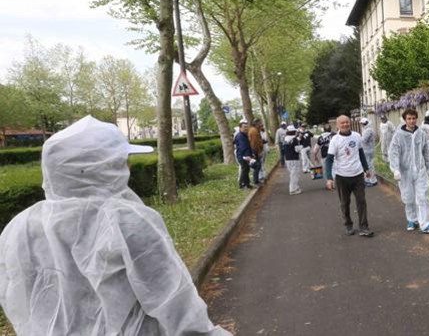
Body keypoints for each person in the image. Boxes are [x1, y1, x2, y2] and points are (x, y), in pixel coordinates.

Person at [0, 116, 230, 335]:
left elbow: (15, 296)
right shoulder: (126, 222)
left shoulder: (20, 227)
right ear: (104, 167)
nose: (127, 168)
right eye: (121, 162)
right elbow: (174, 302)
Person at [388, 108, 429, 234]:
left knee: (423, 197)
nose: (412, 121)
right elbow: (393, 152)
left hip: (420, 170)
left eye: (414, 118)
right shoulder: (398, 135)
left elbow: (426, 151)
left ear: (417, 119)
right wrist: (395, 169)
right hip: (405, 172)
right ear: (405, 120)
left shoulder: (421, 133)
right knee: (408, 197)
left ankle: (425, 223)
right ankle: (412, 219)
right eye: (409, 118)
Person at [325, 115, 375, 237]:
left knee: (361, 201)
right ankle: (348, 224)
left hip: (357, 175)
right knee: (344, 203)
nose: (345, 124)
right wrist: (329, 178)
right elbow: (329, 160)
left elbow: (361, 153)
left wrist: (366, 168)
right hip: (342, 176)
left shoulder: (357, 136)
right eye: (342, 123)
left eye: (347, 122)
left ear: (350, 123)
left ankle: (364, 227)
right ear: (337, 125)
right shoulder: (335, 140)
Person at [235, 119, 255, 189]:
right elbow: (243, 147)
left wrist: (251, 154)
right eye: (244, 127)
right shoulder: (240, 136)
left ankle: (247, 184)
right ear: (240, 128)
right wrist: (247, 156)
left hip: (246, 155)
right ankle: (242, 184)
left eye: (247, 127)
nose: (246, 128)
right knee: (244, 170)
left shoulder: (245, 135)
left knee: (247, 169)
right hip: (242, 156)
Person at [283, 126, 303, 195]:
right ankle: (293, 189)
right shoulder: (294, 140)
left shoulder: (285, 139)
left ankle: (295, 187)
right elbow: (297, 149)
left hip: (287, 159)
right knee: (295, 174)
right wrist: (301, 147)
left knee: (292, 174)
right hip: (294, 158)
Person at [360, 117, 378, 186]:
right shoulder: (368, 129)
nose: (362, 125)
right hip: (369, 150)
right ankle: (369, 179)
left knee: (369, 166)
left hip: (368, 150)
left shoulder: (368, 130)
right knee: (369, 165)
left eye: (362, 123)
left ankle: (372, 180)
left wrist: (359, 139)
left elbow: (364, 140)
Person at [248, 119, 264, 184]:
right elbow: (254, 143)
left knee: (258, 165)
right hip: (255, 151)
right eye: (260, 123)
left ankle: (256, 179)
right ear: (256, 124)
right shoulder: (253, 131)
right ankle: (256, 180)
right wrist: (257, 152)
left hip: (256, 150)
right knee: (257, 165)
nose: (261, 125)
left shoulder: (256, 130)